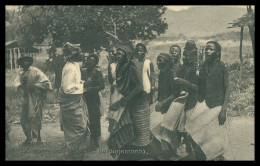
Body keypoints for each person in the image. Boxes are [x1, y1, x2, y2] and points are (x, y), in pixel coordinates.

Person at [107, 43, 156, 160]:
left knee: (140, 129)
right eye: (117, 54)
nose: (118, 56)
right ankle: (129, 153)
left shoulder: (131, 67)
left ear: (127, 56)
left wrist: (125, 100)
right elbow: (114, 82)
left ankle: (145, 153)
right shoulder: (119, 66)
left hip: (139, 101)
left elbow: (139, 87)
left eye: (120, 54)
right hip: (129, 102)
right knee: (126, 126)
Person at [185, 41, 231, 160]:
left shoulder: (222, 66)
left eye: (211, 49)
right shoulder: (203, 66)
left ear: (217, 52)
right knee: (192, 129)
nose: (207, 51)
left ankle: (215, 156)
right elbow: (199, 86)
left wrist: (224, 110)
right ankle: (201, 155)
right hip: (203, 102)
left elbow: (227, 88)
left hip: (216, 105)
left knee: (214, 134)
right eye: (206, 49)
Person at [58, 42, 90, 160]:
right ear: (73, 55)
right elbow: (67, 88)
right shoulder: (70, 68)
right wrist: (83, 86)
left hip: (75, 101)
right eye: (79, 52)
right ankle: (72, 152)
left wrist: (80, 83)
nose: (82, 54)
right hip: (70, 102)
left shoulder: (75, 64)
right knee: (77, 128)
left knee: (80, 126)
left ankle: (76, 151)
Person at [16, 55, 52, 146]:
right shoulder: (20, 72)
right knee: (24, 118)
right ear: (21, 63)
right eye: (23, 61)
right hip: (25, 98)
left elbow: (46, 82)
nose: (25, 63)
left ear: (30, 62)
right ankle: (28, 139)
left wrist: (35, 86)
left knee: (36, 117)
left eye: (27, 61)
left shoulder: (35, 71)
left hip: (35, 98)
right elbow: (15, 83)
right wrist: (20, 84)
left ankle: (39, 139)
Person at [150, 53, 180, 160]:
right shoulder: (161, 74)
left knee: (165, 128)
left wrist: (163, 102)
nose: (158, 63)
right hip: (162, 104)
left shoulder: (172, 74)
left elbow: (175, 94)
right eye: (157, 60)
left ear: (167, 62)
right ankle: (163, 150)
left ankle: (168, 151)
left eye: (160, 60)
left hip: (171, 105)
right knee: (152, 123)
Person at [173, 40, 199, 159]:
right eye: (184, 54)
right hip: (182, 99)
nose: (184, 57)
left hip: (192, 100)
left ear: (194, 56)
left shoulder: (196, 69)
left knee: (189, 127)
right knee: (179, 125)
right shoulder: (184, 68)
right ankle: (184, 149)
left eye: (187, 55)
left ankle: (191, 151)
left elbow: (196, 87)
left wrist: (183, 82)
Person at [82, 53, 105, 151]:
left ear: (96, 62)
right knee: (86, 119)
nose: (89, 62)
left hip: (94, 98)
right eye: (88, 60)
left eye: (92, 61)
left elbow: (102, 86)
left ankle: (95, 142)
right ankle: (88, 140)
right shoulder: (84, 71)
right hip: (85, 97)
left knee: (94, 119)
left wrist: (92, 89)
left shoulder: (97, 72)